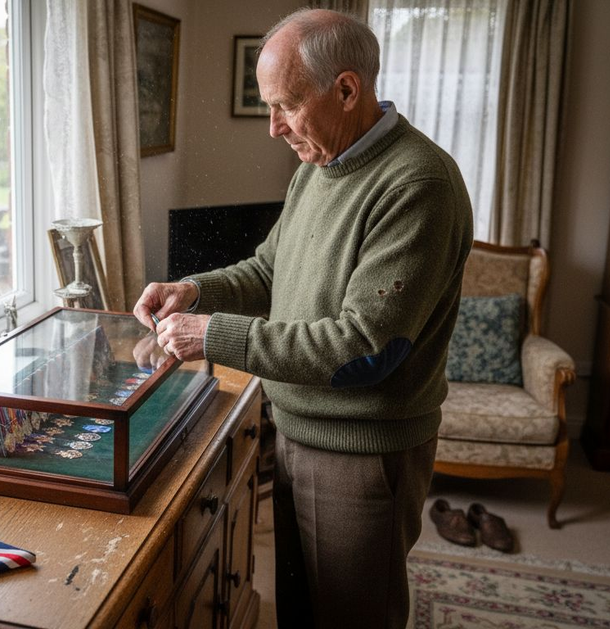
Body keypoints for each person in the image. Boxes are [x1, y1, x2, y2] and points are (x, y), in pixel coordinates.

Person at [133, 8, 473, 628]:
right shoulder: (317, 167)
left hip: (362, 457)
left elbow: (363, 349)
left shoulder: (418, 182)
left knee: (351, 617)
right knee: (301, 613)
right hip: (296, 429)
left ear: (347, 89)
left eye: (285, 105)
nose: (273, 128)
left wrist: (212, 335)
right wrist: (193, 290)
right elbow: (268, 272)